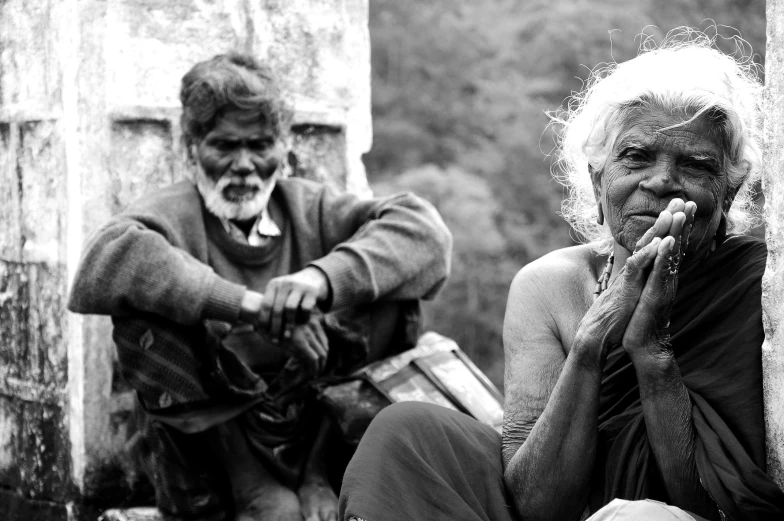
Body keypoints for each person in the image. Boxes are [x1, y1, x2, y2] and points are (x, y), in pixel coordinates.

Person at [338, 31, 784, 521]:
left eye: (696, 165)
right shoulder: (548, 286)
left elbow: (714, 504)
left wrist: (653, 354)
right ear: (598, 180)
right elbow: (537, 505)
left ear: (730, 191)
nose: (660, 181)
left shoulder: (761, 285)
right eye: (636, 156)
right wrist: (593, 340)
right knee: (407, 433)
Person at [67, 52, 452, 521]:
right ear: (192, 149)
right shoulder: (172, 214)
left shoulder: (310, 207)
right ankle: (251, 483)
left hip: (317, 425)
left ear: (283, 149)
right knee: (147, 312)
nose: (245, 164)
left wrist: (319, 282)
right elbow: (105, 259)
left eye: (260, 145)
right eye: (225, 146)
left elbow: (425, 234)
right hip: (212, 453)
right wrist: (251, 307)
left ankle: (316, 475)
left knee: (393, 294)